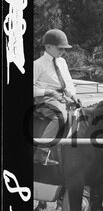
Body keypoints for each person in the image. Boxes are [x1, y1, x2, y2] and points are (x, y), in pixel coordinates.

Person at [33, 29, 80, 165]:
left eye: (64, 49)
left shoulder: (62, 62)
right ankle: (41, 152)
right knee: (60, 117)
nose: (63, 52)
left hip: (63, 97)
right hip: (45, 99)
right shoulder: (37, 64)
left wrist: (73, 96)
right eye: (60, 49)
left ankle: (66, 154)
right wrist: (48, 92)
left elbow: (68, 83)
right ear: (48, 47)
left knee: (79, 115)